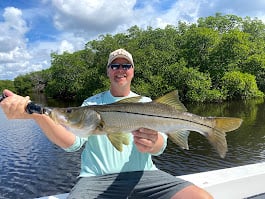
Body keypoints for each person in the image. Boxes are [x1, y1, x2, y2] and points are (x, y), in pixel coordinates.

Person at [0, 48, 213, 199]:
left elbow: (160, 147)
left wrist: (153, 141)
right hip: (96, 179)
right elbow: (72, 143)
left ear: (132, 70)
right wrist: (39, 116)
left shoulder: (147, 103)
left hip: (145, 176)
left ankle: (211, 128)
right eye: (115, 65)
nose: (120, 69)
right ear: (108, 71)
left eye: (125, 65)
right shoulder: (90, 104)